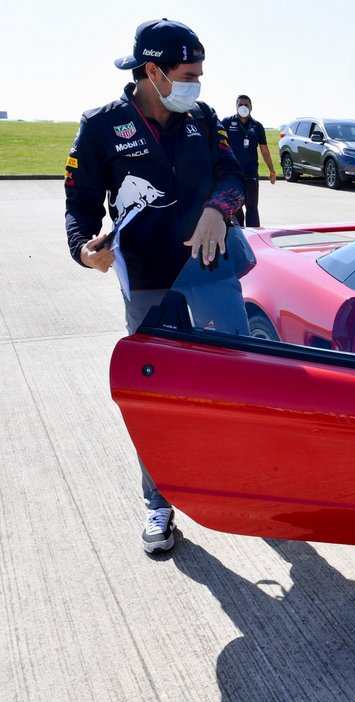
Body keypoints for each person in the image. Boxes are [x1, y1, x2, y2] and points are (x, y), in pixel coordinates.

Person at [64, 18, 246, 554]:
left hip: (212, 272)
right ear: (153, 72)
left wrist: (219, 209)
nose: (198, 84)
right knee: (156, 398)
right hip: (146, 281)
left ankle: (237, 484)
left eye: (201, 74)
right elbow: (79, 203)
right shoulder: (101, 125)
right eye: (189, 74)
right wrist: (82, 251)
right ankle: (159, 505)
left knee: (235, 382)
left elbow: (232, 176)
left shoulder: (204, 118)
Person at [222, 95, 276, 226]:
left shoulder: (257, 126)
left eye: (246, 105)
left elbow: (264, 150)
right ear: (236, 106)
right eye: (240, 104)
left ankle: (254, 238)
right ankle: (239, 237)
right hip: (232, 173)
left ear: (251, 107)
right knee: (235, 208)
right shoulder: (227, 122)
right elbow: (218, 145)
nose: (243, 107)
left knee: (252, 207)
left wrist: (272, 170)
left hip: (250, 172)